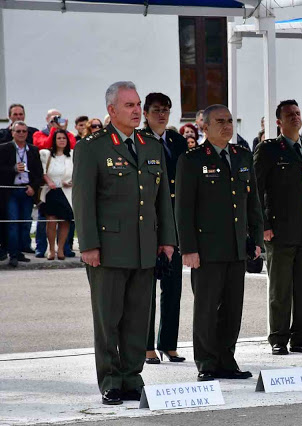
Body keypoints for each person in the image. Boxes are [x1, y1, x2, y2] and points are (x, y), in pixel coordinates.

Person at [72, 81, 176, 405]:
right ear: (112, 110)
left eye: (137, 104)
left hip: (145, 247)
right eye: (129, 105)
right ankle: (111, 380)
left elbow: (162, 201)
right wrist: (88, 244)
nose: (136, 111)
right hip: (108, 248)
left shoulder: (149, 145)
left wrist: (167, 241)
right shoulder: (92, 147)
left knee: (136, 318)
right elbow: (84, 200)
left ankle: (133, 377)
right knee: (108, 320)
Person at [176, 104, 263, 380]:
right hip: (206, 249)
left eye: (229, 121)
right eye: (219, 121)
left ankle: (227, 360)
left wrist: (256, 239)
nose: (227, 126)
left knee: (232, 309)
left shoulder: (242, 157)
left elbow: (253, 203)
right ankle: (206, 362)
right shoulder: (191, 160)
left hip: (237, 246)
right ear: (204, 126)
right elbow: (184, 209)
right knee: (206, 308)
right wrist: (188, 248)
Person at [254, 99, 302, 356]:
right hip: (279, 230)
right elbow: (256, 190)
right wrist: (263, 225)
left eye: (298, 114)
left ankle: (301, 337)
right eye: (290, 115)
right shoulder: (269, 150)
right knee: (281, 288)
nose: (296, 118)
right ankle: (278, 337)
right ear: (279, 122)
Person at [142, 92, 189, 365]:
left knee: (173, 287)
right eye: (157, 110)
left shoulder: (177, 141)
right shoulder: (140, 140)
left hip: (174, 222)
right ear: (146, 113)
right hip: (149, 221)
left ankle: (168, 343)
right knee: (146, 288)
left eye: (166, 110)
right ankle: (147, 346)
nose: (162, 115)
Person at [0, 121, 43, 267]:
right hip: (11, 190)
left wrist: (33, 187)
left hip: (26, 190)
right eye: (18, 131)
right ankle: (12, 254)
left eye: (24, 131)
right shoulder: (4, 149)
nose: (21, 134)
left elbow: (39, 173)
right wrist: (13, 169)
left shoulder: (33, 150)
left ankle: (19, 251)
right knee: (12, 223)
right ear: (12, 132)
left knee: (24, 223)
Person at [39, 130, 74, 260]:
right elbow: (42, 172)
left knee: (65, 222)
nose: (61, 140)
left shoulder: (72, 155)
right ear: (54, 140)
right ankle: (51, 249)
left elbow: (78, 172)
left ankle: (61, 250)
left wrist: (71, 182)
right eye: (59, 138)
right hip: (51, 191)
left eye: (64, 138)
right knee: (51, 221)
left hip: (66, 192)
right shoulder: (46, 154)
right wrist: (49, 182)